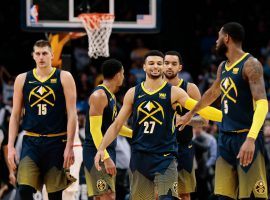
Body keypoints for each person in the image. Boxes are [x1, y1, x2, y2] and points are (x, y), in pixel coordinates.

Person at [95, 50, 222, 200]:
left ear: (162, 67)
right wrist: (101, 149)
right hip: (139, 156)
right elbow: (116, 125)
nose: (155, 66)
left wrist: (226, 117)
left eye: (159, 63)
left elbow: (202, 109)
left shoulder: (175, 92)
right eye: (151, 63)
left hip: (165, 157)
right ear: (144, 67)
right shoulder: (133, 93)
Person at [180, 22, 269, 199]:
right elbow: (212, 93)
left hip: (246, 137)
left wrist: (251, 139)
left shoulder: (251, 64)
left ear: (226, 38)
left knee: (251, 195)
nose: (216, 41)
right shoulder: (223, 66)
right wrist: (190, 113)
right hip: (224, 138)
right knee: (223, 196)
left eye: (218, 36)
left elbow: (263, 103)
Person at [7, 40, 77, 200]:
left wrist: (69, 146)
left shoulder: (64, 77)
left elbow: (72, 114)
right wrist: (11, 147)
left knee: (54, 195)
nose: (41, 57)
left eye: (45, 53)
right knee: (23, 189)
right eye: (37, 53)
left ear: (52, 55)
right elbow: (15, 115)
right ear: (33, 56)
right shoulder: (22, 79)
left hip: (56, 143)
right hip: (31, 142)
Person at [83, 59, 132, 200]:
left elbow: (116, 127)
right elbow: (95, 130)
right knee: (108, 195)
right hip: (96, 150)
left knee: (102, 196)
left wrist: (135, 134)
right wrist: (105, 157)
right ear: (117, 75)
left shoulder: (111, 96)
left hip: (106, 150)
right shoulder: (99, 95)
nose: (123, 77)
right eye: (122, 74)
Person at [163, 51, 206, 200]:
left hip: (183, 145)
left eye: (173, 64)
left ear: (180, 67)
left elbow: (204, 120)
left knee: (184, 194)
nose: (169, 66)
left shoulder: (190, 88)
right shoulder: (152, 88)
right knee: (157, 193)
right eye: (166, 63)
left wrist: (186, 119)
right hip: (159, 147)